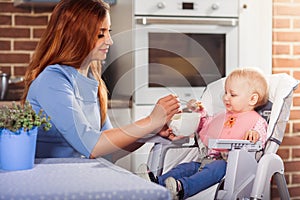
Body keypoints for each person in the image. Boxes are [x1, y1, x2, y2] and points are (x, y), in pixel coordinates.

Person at [21, 0, 180, 160]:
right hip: (54, 178)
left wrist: (150, 132)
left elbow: (107, 151)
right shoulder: (52, 80)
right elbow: (92, 146)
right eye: (100, 34)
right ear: (75, 35)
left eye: (108, 31)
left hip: (80, 175)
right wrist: (150, 121)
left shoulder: (91, 79)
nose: (110, 40)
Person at [137, 68, 269, 200]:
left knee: (216, 168)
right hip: (206, 160)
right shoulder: (222, 117)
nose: (226, 97)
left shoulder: (256, 121)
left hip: (229, 167)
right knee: (185, 168)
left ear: (252, 99)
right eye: (225, 93)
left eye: (232, 95)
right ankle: (156, 183)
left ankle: (182, 188)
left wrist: (254, 134)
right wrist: (199, 112)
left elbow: (260, 139)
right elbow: (205, 126)